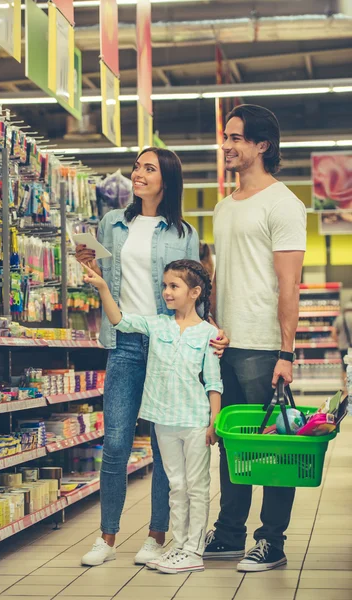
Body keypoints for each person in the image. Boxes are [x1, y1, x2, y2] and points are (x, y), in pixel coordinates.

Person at [77, 147, 228, 567]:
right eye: (137, 167)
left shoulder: (182, 231)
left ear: (167, 179)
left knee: (166, 449)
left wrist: (210, 330)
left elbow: (191, 286)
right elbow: (104, 278)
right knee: (116, 441)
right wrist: (88, 264)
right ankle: (106, 538)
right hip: (126, 341)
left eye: (148, 169)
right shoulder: (112, 224)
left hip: (168, 345)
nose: (137, 174)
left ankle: (156, 534)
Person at [205, 104, 307, 572]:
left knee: (272, 445)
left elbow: (289, 286)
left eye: (236, 138)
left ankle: (272, 540)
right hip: (226, 345)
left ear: (261, 145)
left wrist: (286, 352)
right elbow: (223, 278)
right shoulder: (224, 207)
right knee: (231, 445)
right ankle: (229, 533)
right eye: (226, 137)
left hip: (264, 347)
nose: (227, 145)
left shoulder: (283, 203)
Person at [82, 259, 223, 574]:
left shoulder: (208, 334)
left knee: (197, 485)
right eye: (165, 286)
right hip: (163, 420)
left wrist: (215, 422)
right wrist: (104, 286)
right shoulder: (157, 325)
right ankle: (180, 545)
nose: (166, 292)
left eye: (174, 286)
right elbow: (119, 320)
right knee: (176, 484)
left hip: (196, 422)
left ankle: (194, 550)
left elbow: (214, 382)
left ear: (195, 291)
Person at [332, 300, 352, 382]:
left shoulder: (339, 318)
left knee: (345, 368)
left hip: (344, 347)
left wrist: (339, 342)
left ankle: (346, 390)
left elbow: (333, 334)